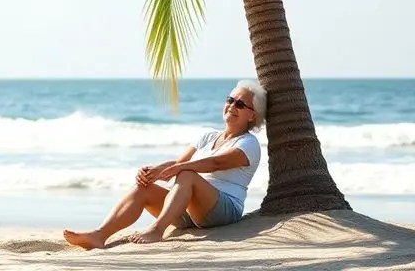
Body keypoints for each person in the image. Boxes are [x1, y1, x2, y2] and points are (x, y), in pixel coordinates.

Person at [63, 79, 266, 249]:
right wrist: (155, 171)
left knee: (186, 174)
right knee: (143, 189)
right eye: (230, 100)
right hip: (189, 209)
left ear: (252, 115)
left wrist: (178, 169)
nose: (232, 106)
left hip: (223, 210)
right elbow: (179, 163)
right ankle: (99, 235)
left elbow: (215, 163)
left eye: (240, 104)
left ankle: (157, 230)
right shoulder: (208, 135)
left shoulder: (249, 143)